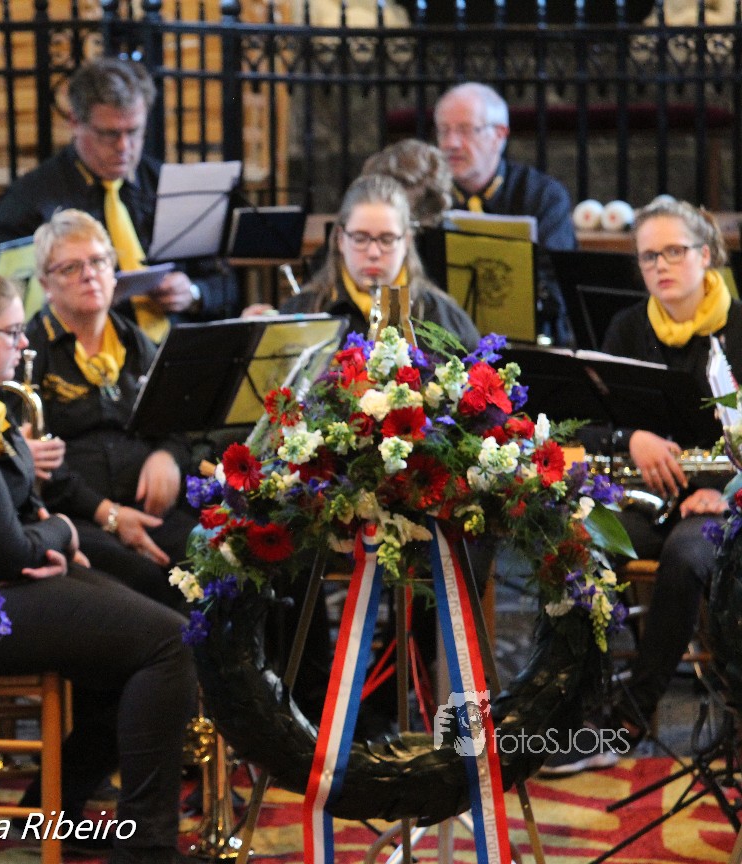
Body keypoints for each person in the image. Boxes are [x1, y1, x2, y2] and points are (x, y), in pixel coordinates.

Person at [0, 265, 196, 864]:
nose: (23, 344)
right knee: (167, 645)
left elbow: (16, 516)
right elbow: (8, 547)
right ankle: (147, 848)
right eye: (10, 333)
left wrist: (47, 530)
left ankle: (53, 814)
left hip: (3, 585)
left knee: (155, 637)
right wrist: (61, 530)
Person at [542, 197, 739, 775]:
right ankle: (572, 705)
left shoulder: (740, 327)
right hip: (650, 495)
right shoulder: (628, 327)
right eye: (649, 256)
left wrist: (725, 493)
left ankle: (628, 716)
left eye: (674, 251)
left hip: (726, 500)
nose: (661, 265)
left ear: (706, 254)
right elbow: (591, 421)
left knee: (687, 556)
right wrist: (633, 439)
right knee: (578, 544)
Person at [0, 57, 241, 339]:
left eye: (134, 132)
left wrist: (193, 292)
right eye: (109, 134)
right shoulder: (30, 202)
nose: (123, 147)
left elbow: (227, 283)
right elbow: (5, 305)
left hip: (179, 344)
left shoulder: (166, 185)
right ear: (75, 122)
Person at [25, 209, 199, 604]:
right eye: (71, 268)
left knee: (218, 553)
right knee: (147, 578)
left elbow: (177, 424)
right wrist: (109, 513)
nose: (89, 275)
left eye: (99, 262)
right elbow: (40, 463)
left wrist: (168, 457)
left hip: (151, 509)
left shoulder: (135, 342)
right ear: (46, 285)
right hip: (78, 516)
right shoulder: (31, 351)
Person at [434, 82, 576, 344]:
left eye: (465, 130)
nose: (451, 143)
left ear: (499, 134)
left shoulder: (542, 196)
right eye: (444, 131)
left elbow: (558, 287)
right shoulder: (429, 197)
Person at [282, 173, 480, 352]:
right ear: (341, 240)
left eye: (387, 239)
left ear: (406, 241)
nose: (374, 253)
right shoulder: (301, 313)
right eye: (360, 238)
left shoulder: (446, 320)